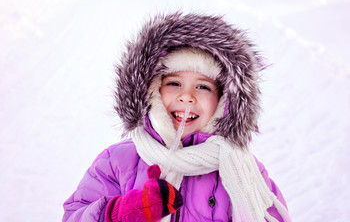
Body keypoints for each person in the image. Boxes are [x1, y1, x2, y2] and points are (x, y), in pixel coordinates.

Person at [63, 12, 292, 222]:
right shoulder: (117, 161)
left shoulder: (243, 169)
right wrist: (119, 212)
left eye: (203, 87)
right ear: (151, 91)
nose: (187, 96)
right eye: (174, 83)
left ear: (225, 101)